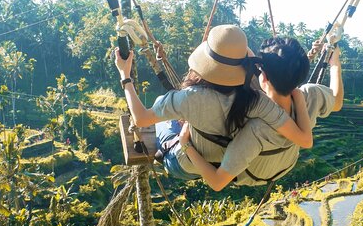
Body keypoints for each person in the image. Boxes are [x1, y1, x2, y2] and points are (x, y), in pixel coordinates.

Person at [115, 25, 313, 180]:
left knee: (162, 106)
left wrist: (125, 76)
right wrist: (297, 94)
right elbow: (305, 140)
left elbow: (140, 119)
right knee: (179, 117)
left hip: (184, 163)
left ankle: (174, 139)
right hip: (218, 164)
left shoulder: (189, 98)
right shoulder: (258, 101)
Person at [179, 37, 344, 190]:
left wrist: (185, 145)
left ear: (263, 77)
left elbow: (217, 182)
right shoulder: (310, 95)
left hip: (251, 174)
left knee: (167, 127)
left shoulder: (255, 125)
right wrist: (334, 62)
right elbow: (337, 102)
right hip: (283, 166)